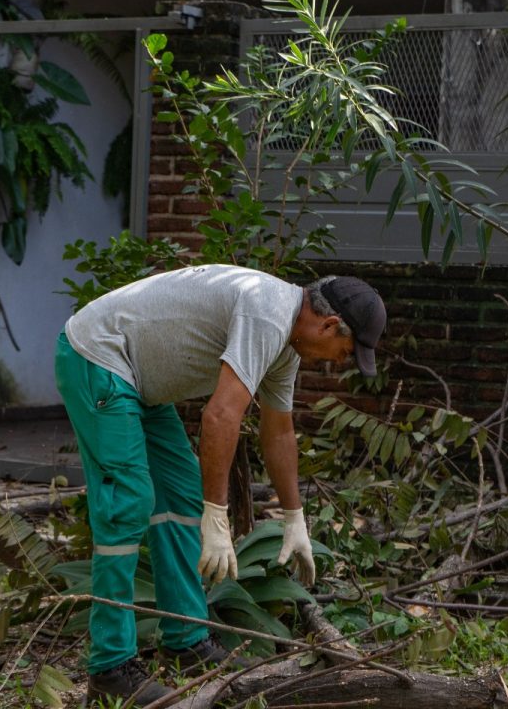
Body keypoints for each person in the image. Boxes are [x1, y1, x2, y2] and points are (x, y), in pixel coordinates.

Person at [54, 264, 386, 705]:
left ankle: (185, 639)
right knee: (128, 503)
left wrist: (294, 518)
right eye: (345, 351)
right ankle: (110, 668)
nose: (340, 362)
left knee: (179, 496)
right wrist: (218, 516)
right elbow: (221, 416)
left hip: (138, 380)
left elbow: (279, 432)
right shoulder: (267, 316)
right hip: (97, 356)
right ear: (328, 324)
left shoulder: (286, 344)